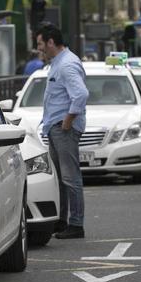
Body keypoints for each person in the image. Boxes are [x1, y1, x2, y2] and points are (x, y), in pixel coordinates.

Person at [38, 23, 89, 239]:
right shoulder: (59, 62)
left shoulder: (66, 64)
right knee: (60, 177)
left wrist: (67, 122)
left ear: (51, 42)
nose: (39, 48)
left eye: (40, 44)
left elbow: (81, 95)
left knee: (70, 177)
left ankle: (76, 224)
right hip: (56, 128)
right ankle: (62, 220)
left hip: (63, 129)